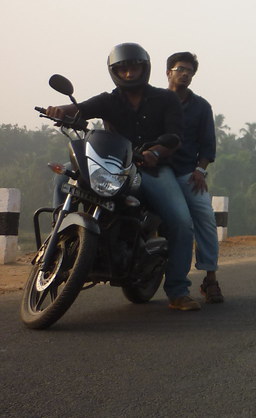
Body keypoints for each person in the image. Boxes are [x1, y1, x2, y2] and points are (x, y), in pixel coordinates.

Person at [45, 43, 199, 311]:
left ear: (145, 68)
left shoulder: (166, 99)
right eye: (123, 69)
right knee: (62, 179)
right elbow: (79, 108)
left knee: (182, 222)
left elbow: (175, 137)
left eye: (134, 68)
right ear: (114, 71)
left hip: (150, 168)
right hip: (111, 166)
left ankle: (177, 291)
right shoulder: (109, 99)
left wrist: (155, 152)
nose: (128, 74)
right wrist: (58, 110)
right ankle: (60, 239)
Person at [165, 51, 223, 304]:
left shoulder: (201, 107)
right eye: (180, 69)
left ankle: (210, 278)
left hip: (187, 173)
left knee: (205, 218)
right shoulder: (155, 101)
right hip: (153, 171)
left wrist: (200, 170)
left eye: (189, 71)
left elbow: (208, 145)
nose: (185, 74)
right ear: (168, 72)